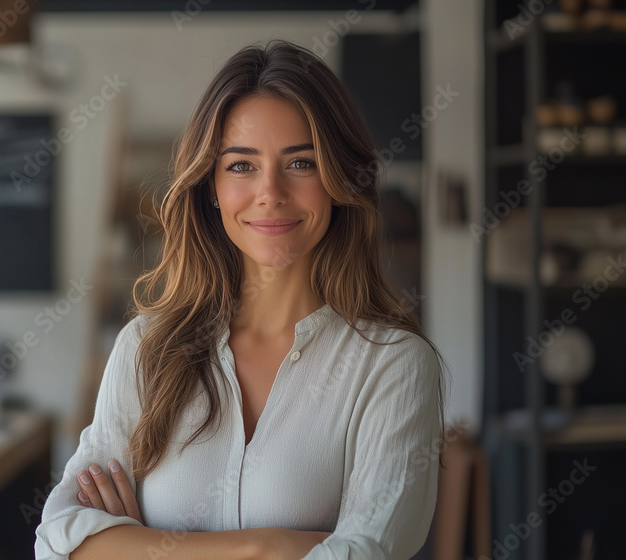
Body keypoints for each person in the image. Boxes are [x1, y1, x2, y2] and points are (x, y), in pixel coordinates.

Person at [35, 38, 449, 560]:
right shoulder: (145, 348)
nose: (270, 192)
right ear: (210, 185)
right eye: (240, 165)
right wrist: (266, 546)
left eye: (301, 163)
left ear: (341, 179)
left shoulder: (393, 364)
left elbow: (365, 554)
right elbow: (57, 541)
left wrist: (136, 546)